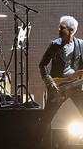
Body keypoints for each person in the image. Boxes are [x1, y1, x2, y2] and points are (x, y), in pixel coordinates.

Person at [34, 16, 83, 148]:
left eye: (62, 28)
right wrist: (50, 83)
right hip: (58, 87)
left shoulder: (81, 45)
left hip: (76, 87)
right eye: (59, 28)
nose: (59, 30)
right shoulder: (54, 45)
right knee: (45, 121)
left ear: (71, 30)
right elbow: (42, 65)